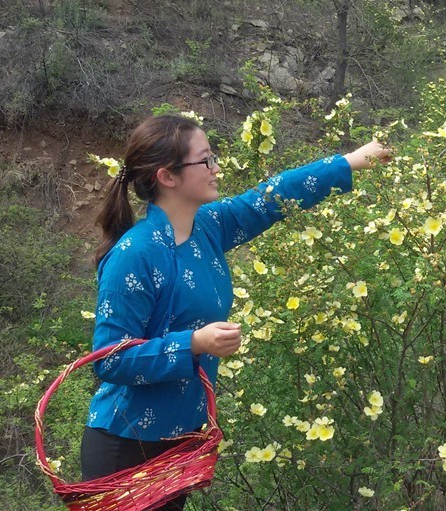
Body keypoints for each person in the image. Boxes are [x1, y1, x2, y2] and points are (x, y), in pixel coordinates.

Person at [81, 114, 391, 510]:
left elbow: (268, 199)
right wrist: (193, 343)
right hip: (126, 448)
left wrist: (348, 162)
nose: (216, 168)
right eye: (205, 160)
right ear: (168, 177)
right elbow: (110, 359)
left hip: (179, 441)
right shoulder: (135, 254)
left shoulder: (207, 226)